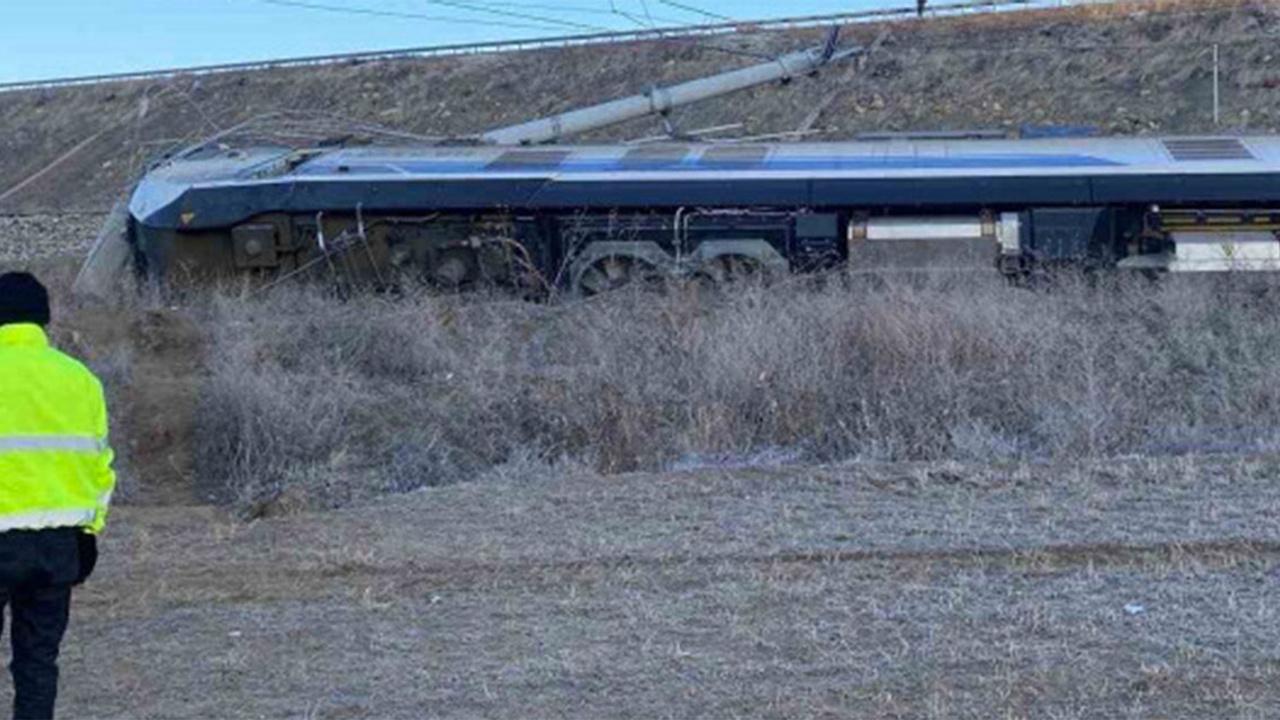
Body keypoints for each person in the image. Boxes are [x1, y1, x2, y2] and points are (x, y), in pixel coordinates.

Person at [0, 272, 114, 720]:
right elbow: (98, 466)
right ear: (45, 319)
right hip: (58, 545)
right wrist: (89, 531)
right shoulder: (79, 379)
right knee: (38, 662)